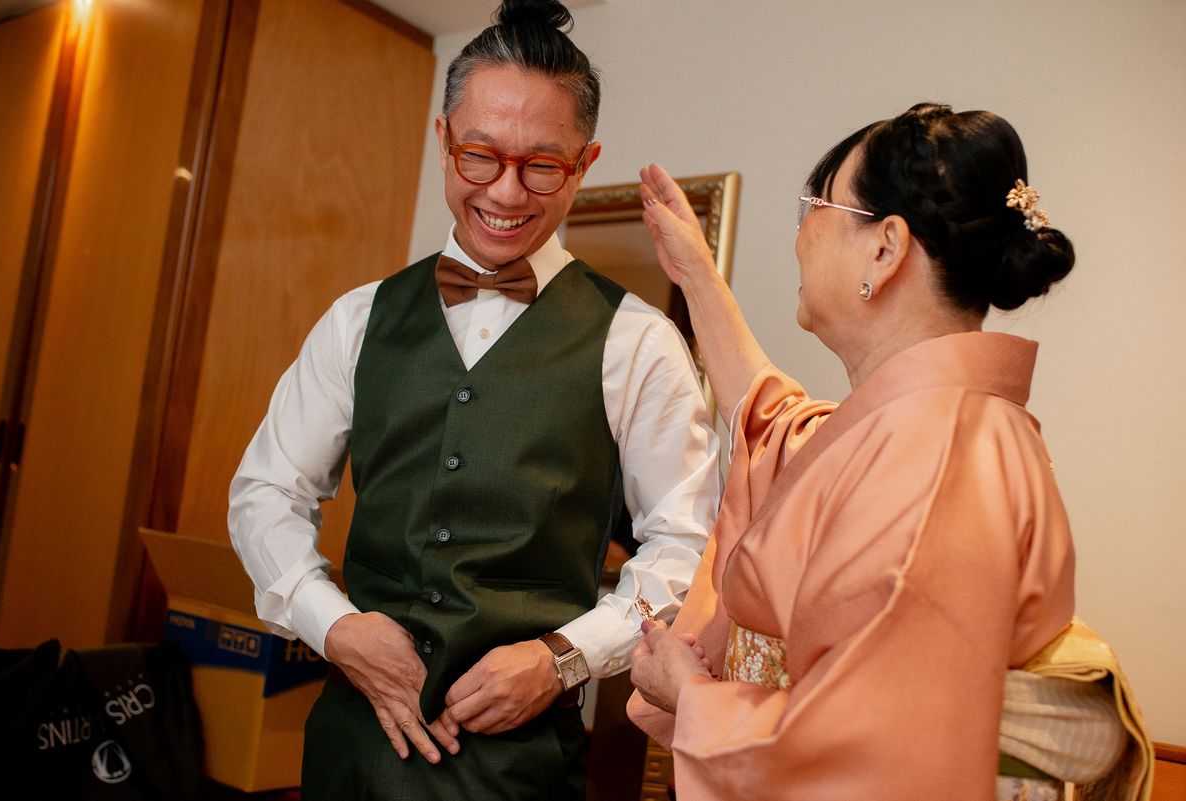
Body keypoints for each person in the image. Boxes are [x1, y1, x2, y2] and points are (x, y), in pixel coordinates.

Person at [227, 1, 721, 798]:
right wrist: (335, 624)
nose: (507, 192)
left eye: (542, 165)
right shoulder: (358, 319)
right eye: (480, 156)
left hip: (519, 770)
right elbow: (265, 491)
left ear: (584, 163)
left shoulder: (638, 342)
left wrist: (563, 658)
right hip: (350, 755)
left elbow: (687, 547)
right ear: (443, 140)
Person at [626, 104, 1147, 800]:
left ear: (885, 248)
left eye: (816, 205)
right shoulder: (917, 428)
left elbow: (879, 749)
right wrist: (697, 275)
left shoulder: (945, 456)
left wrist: (691, 695)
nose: (799, 235)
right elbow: (778, 425)